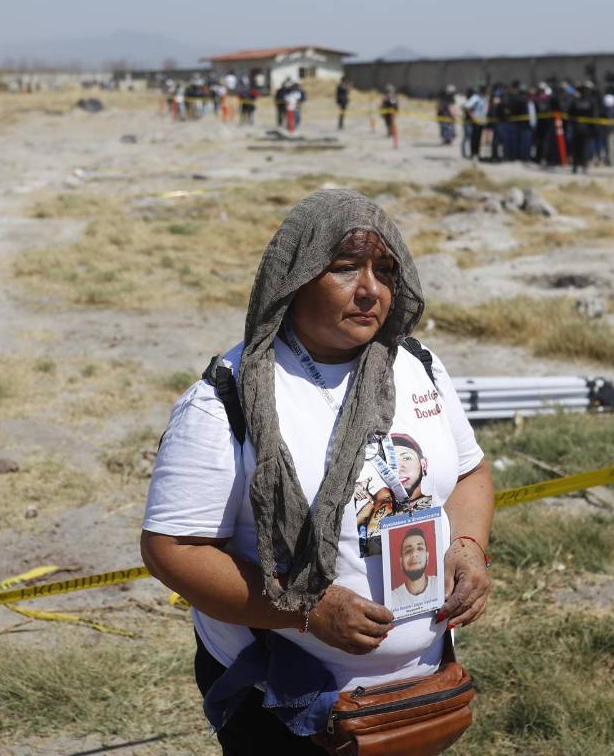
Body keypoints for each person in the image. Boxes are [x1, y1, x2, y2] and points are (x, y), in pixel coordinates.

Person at [142, 189, 495, 753]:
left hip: (419, 693)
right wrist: (306, 611)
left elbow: (471, 474)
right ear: (295, 278)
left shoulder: (415, 366)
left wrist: (470, 547)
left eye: (384, 269)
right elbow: (172, 548)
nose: (371, 290)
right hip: (289, 703)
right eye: (344, 268)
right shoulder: (226, 398)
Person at [390, 528, 440, 608]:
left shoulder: (440, 584)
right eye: (408, 550)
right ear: (401, 562)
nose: (414, 554)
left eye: (420, 548)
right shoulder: (392, 599)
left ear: (427, 557)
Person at [464, 85, 487, 161]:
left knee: (479, 139)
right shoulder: (475, 97)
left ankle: (477, 153)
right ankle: (473, 154)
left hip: (481, 121)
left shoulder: (483, 98)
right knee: (474, 138)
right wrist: (473, 116)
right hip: (476, 121)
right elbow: (467, 107)